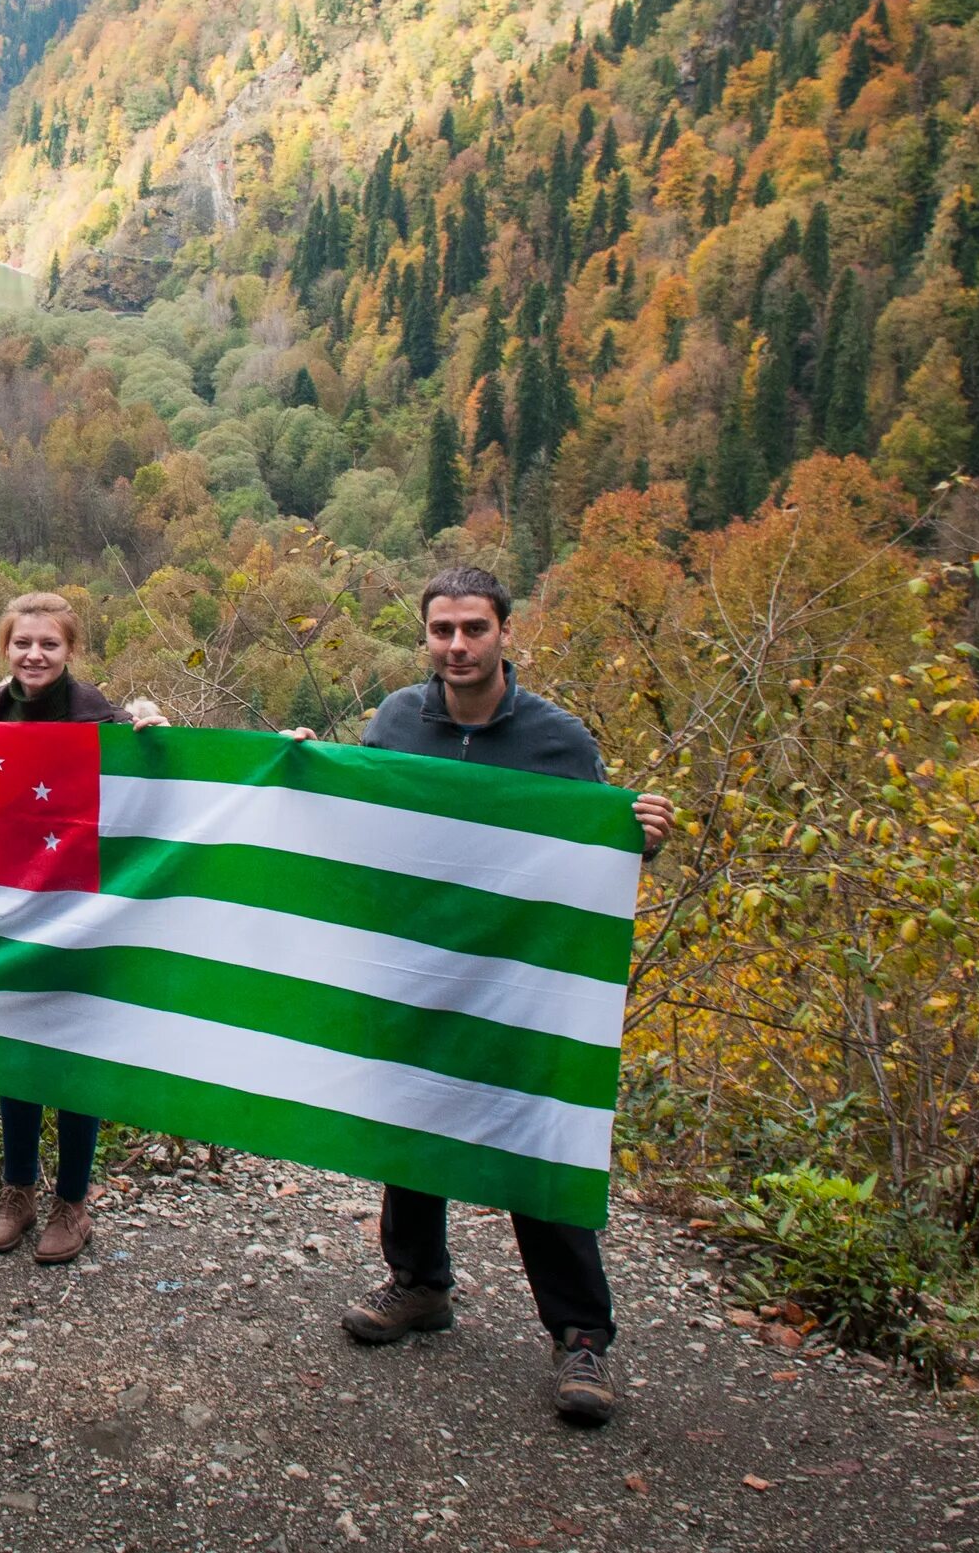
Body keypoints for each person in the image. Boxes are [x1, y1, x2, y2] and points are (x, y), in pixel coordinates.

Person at [319, 566, 673, 1428]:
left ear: (505, 632)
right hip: (421, 969)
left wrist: (640, 842)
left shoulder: (557, 741)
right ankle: (420, 1284)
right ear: (426, 636)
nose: (457, 645)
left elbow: (588, 866)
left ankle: (581, 1334)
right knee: (411, 1125)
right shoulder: (397, 722)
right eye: (442, 630)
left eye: (473, 628)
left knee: (534, 1137)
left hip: (519, 983)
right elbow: (362, 826)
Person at [0, 592, 166, 1266]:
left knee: (76, 1056)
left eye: (48, 644)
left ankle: (72, 1202)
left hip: (85, 908)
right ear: (6, 647)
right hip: (14, 907)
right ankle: (17, 1190)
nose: (34, 654)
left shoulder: (102, 717)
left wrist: (156, 734)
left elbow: (158, 784)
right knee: (17, 1054)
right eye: (23, 642)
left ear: (70, 650)